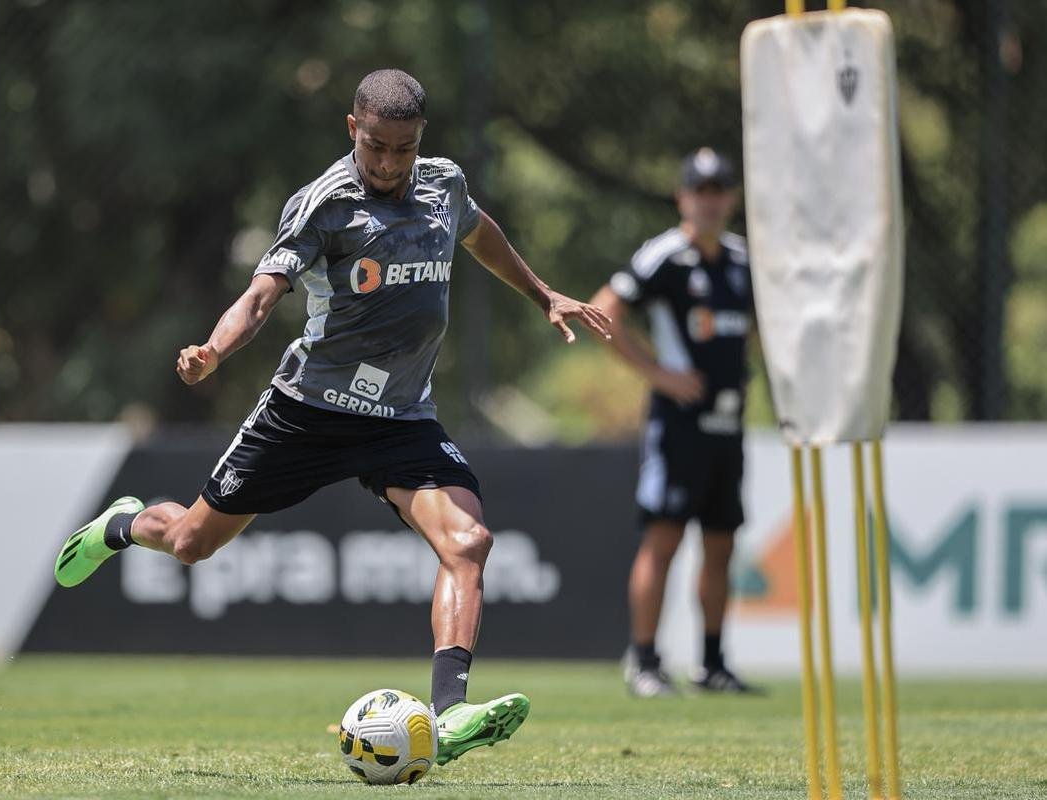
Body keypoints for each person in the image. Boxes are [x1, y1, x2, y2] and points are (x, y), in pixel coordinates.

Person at [53, 69, 611, 761]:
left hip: (402, 418)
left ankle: (450, 715)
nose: (387, 163)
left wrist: (543, 293)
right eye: (376, 146)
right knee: (194, 543)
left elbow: (478, 232)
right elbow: (261, 297)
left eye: (402, 150)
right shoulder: (323, 206)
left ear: (419, 141)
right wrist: (214, 352)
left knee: (468, 543)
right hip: (308, 412)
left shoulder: (445, 185)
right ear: (353, 129)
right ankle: (122, 523)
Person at [590, 147, 757, 697]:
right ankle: (644, 662)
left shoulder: (742, 260)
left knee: (721, 543)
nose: (709, 202)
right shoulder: (664, 257)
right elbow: (602, 311)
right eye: (699, 191)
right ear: (683, 197)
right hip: (678, 425)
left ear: (730, 198)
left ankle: (712, 665)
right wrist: (659, 374)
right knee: (662, 540)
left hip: (729, 425)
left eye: (718, 191)